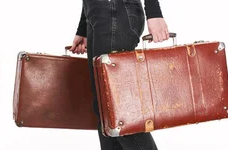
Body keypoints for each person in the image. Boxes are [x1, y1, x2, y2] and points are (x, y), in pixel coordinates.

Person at [69, 0, 170, 150]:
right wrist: (84, 26)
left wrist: (154, 12)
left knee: (117, 112)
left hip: (116, 13)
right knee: (104, 111)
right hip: (97, 15)